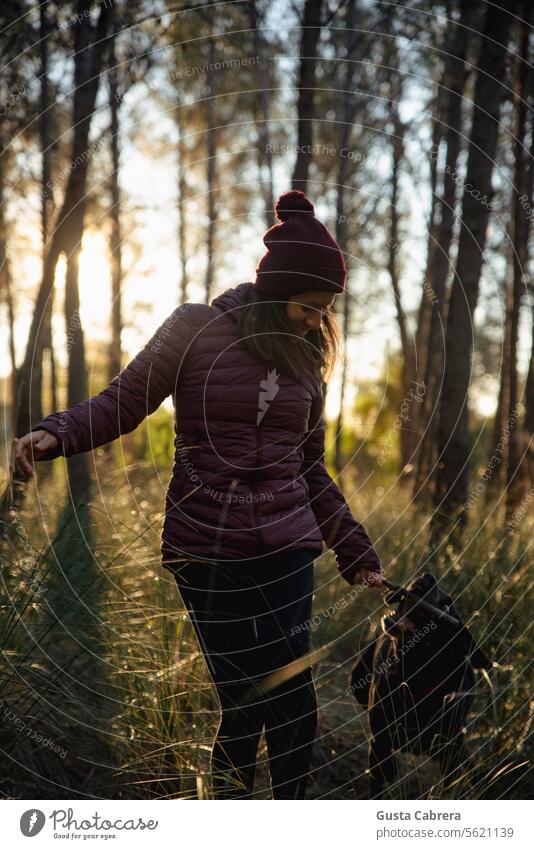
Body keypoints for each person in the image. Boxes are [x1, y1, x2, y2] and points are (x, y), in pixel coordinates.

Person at [15, 189, 383, 799]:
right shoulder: (194, 329)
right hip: (205, 545)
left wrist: (355, 551)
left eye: (325, 311)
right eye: (308, 306)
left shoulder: (307, 359)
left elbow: (311, 470)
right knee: (240, 702)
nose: (316, 321)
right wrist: (53, 434)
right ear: (277, 288)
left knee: (293, 694)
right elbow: (123, 403)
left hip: (288, 546)